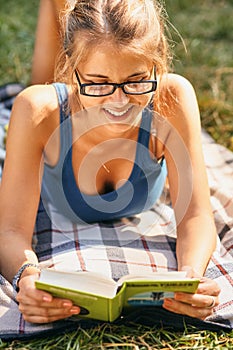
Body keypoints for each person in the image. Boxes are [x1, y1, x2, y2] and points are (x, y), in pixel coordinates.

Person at [0, 0, 232, 334]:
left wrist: (191, 276)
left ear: (157, 66)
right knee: (39, 81)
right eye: (98, 83)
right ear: (71, 71)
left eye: (137, 81)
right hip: (58, 111)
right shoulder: (39, 110)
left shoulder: (172, 97)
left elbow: (196, 215)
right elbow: (9, 230)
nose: (119, 102)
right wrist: (27, 276)